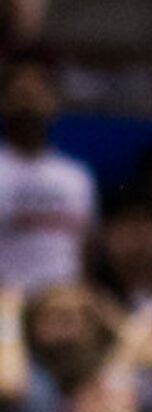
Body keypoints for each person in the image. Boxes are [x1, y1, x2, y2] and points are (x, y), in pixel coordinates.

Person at [0, 59, 97, 291]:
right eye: (21, 95)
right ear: (4, 103)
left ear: (53, 103)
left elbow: (88, 246)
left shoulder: (76, 176)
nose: (29, 105)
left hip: (62, 304)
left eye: (36, 96)